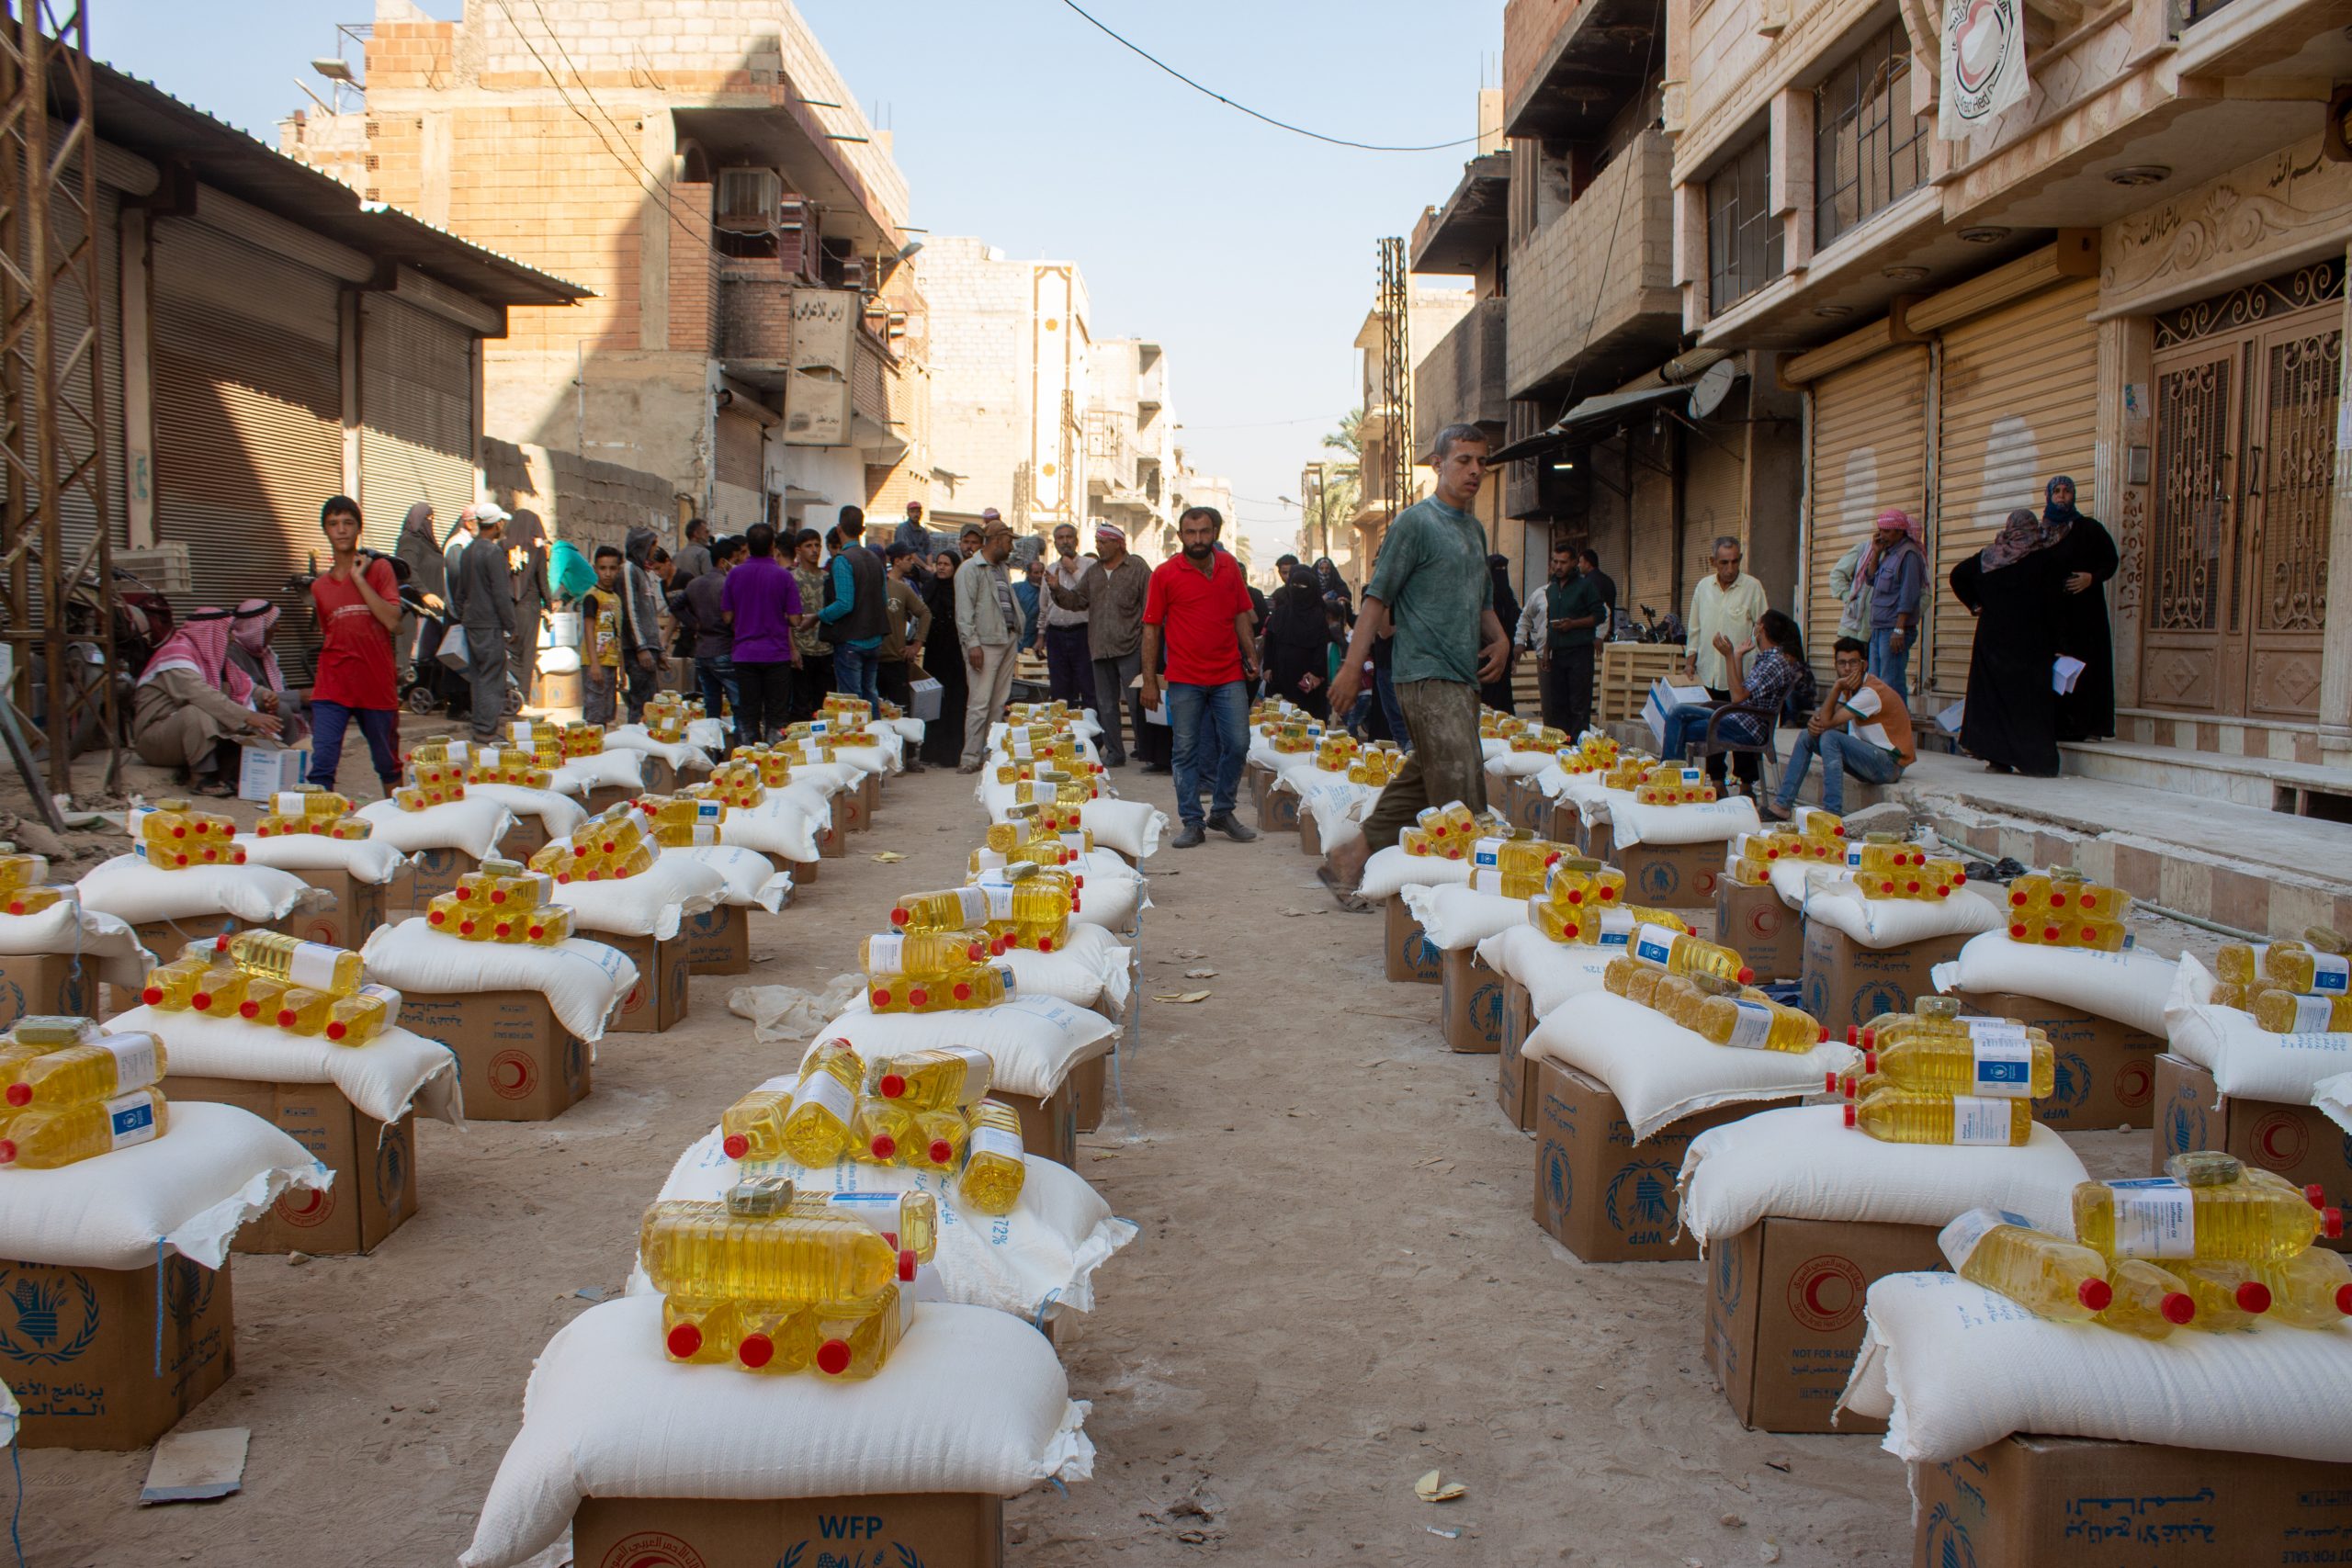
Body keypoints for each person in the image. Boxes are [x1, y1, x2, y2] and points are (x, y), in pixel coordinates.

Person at [1321, 425, 1509, 898]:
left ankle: (1350, 857)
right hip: (1424, 675)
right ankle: (1455, 901)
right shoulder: (1416, 523)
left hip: (1461, 677)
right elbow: (1376, 598)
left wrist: (1501, 640)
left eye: (1481, 462)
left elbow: (1482, 600)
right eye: (1463, 460)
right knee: (1460, 797)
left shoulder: (1474, 528)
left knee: (1426, 775)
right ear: (1438, 465)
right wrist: (1350, 668)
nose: (1474, 471)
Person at [1140, 506, 1260, 846]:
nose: (1197, 539)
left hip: (1228, 674)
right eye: (1190, 533)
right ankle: (1192, 822)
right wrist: (1150, 681)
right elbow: (1151, 630)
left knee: (1238, 743)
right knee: (1185, 751)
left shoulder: (1229, 568)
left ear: (1215, 533)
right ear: (1180, 537)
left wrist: (1249, 654)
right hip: (1185, 678)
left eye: (1203, 532)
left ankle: (1222, 811)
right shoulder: (1164, 574)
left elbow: (1240, 614)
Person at [1951, 508, 2067, 776]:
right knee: (2029, 702)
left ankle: (1997, 759)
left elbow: (1957, 575)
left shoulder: (1990, 557)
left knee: (1994, 700)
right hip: (2031, 641)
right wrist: (2062, 642)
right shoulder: (2044, 559)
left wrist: (1975, 603)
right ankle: (2035, 761)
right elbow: (2056, 604)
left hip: (1993, 639)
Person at [301, 494, 402, 796]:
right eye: (333, 524)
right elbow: (329, 632)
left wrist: (359, 578)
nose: (341, 530)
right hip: (333, 684)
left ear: (359, 528)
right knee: (322, 765)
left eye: (348, 523)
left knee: (388, 763)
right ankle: (318, 835)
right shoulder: (319, 587)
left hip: (375, 682)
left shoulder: (380, 570)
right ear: (326, 531)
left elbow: (392, 621)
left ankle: (402, 828)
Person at [131, 608, 285, 794]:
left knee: (254, 718)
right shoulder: (176, 657)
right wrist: (248, 716)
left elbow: (242, 684)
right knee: (196, 712)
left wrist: (265, 696)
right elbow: (202, 695)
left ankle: (241, 773)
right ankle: (200, 778)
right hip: (154, 739)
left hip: (184, 735)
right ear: (212, 633)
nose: (232, 638)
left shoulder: (214, 659)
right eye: (227, 632)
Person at [1763, 635, 1914, 820]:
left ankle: (1832, 813)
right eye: (1842, 663)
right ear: (1835, 665)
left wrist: (1835, 689)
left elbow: (1827, 723)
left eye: (1853, 663)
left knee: (1830, 737)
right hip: (1872, 760)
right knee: (1806, 736)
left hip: (1889, 765)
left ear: (1864, 665)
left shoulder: (1870, 692)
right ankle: (1782, 805)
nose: (1847, 668)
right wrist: (1816, 722)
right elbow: (1824, 718)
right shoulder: (1850, 688)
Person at [1046, 522, 1154, 767]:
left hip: (1131, 646)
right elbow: (1077, 601)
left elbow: (1150, 605)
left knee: (1137, 702)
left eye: (1104, 542)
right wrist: (1057, 589)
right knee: (1105, 705)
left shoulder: (1137, 567)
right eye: (1097, 542)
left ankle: (1145, 750)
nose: (1099, 546)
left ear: (1118, 543)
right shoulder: (1094, 572)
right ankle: (1115, 753)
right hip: (1099, 647)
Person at [1657, 609, 1812, 769]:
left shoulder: (1774, 662)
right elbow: (1741, 691)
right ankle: (1674, 777)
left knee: (1677, 720)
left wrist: (1729, 656)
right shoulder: (1769, 659)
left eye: (1756, 624)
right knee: (1678, 715)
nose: (1754, 628)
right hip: (1737, 719)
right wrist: (1737, 656)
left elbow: (1738, 697)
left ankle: (1672, 778)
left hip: (1746, 728)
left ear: (1762, 629)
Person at [1681, 536, 1771, 794]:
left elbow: (1762, 627)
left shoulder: (1752, 587)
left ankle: (1746, 784)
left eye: (1734, 562)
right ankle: (1717, 782)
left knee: (1742, 728)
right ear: (1713, 562)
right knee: (1713, 728)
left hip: (1742, 675)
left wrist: (1755, 659)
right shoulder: (1702, 588)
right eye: (1724, 563)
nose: (1730, 569)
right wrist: (1690, 663)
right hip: (1710, 671)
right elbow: (1694, 629)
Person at [2042, 475, 2117, 741]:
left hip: (2087, 614)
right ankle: (2059, 726)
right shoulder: (2042, 534)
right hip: (2055, 615)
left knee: (2088, 668)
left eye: (2067, 491)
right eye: (2057, 492)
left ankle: (2091, 727)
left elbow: (2110, 561)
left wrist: (2091, 578)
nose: (2062, 496)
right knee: (2058, 668)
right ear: (2049, 496)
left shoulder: (2089, 529)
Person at [725, 523, 804, 744]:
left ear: (748, 546)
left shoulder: (734, 575)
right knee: (776, 716)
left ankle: (748, 763)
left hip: (744, 655)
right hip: (776, 656)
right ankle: (775, 763)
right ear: (772, 546)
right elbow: (796, 619)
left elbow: (727, 617)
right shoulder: (784, 577)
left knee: (748, 714)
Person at [954, 521, 1021, 772]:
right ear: (996, 540)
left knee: (997, 703)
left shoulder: (1001, 567)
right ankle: (970, 757)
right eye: (1008, 540)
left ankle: (989, 754)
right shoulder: (969, 569)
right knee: (980, 703)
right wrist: (972, 644)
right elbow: (964, 613)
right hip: (984, 643)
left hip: (1006, 638)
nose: (1011, 545)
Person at [1519, 541, 1604, 736]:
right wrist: (1546, 650)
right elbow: (1549, 621)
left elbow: (1599, 616)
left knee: (1578, 706)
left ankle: (1577, 750)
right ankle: (1560, 749)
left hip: (1579, 653)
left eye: (1563, 562)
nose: (1558, 566)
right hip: (1557, 653)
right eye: (1555, 562)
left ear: (1574, 562)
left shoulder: (1585, 587)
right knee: (1557, 705)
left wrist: (1573, 624)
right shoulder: (1551, 589)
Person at [450, 502, 515, 739]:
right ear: (497, 524)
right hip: (489, 623)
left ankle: (480, 725)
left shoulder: (468, 551)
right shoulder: (493, 552)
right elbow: (501, 593)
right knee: (492, 677)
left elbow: (460, 590)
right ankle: (486, 729)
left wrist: (463, 614)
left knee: (478, 676)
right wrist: (511, 624)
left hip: (472, 622)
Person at [817, 505, 888, 716]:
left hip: (851, 643)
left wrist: (818, 616)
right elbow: (883, 598)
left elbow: (844, 604)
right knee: (870, 695)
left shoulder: (843, 561)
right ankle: (876, 739)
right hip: (874, 639)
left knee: (852, 702)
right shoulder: (875, 559)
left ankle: (859, 743)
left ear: (839, 529)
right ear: (862, 530)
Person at [1854, 509, 1927, 707]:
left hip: (1894, 630)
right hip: (1879, 629)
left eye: (1886, 532)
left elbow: (1909, 594)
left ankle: (1897, 730)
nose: (1881, 536)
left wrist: (1899, 628)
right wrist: (1876, 553)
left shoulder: (1908, 554)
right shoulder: (1889, 554)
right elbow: (1870, 579)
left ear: (1899, 531)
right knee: (1877, 684)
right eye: (1880, 531)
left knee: (1891, 683)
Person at [681, 533, 743, 749]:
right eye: (735, 560)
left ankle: (714, 751)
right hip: (724, 649)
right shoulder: (727, 584)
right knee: (739, 704)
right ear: (724, 561)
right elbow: (733, 617)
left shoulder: (695, 584)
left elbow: (676, 607)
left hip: (702, 652)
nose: (737, 565)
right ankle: (740, 749)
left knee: (712, 708)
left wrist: (694, 624)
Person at [877, 542, 933, 771]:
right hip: (870, 661)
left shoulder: (901, 589)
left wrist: (917, 644)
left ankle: (909, 758)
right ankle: (882, 760)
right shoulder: (868, 587)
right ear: (896, 560)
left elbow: (924, 613)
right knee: (875, 714)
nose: (912, 563)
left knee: (902, 711)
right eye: (909, 558)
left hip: (896, 659)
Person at [1261, 565, 1337, 720]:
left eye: (1303, 587)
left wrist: (1315, 673)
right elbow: (1270, 640)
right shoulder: (1281, 613)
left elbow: (1321, 648)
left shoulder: (1318, 617)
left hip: (1306, 679)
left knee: (1307, 721)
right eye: (1294, 586)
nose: (1298, 590)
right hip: (1280, 676)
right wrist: (1268, 667)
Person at [227, 597, 305, 747]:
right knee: (283, 711)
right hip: (247, 712)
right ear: (257, 628)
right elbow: (246, 697)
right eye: (273, 623)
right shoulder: (233, 654)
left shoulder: (266, 653)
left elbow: (278, 689)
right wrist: (299, 696)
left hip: (271, 702)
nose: (279, 628)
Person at [1040, 522, 1099, 716]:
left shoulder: (1089, 565)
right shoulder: (1049, 569)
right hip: (1056, 635)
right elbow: (1044, 606)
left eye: (1069, 537)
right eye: (1060, 538)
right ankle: (1063, 738)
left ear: (1076, 540)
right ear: (1055, 542)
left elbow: (1094, 594)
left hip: (1083, 633)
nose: (1065, 541)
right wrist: (1041, 635)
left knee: (1088, 687)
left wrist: (1073, 569)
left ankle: (1093, 740)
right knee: (1061, 691)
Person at [919, 547, 968, 768]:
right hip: (935, 652)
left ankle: (951, 753)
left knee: (955, 700)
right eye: (939, 563)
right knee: (934, 700)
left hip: (956, 653)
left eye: (946, 564)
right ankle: (931, 752)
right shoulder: (930, 588)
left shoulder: (961, 591)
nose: (941, 567)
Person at [392, 502, 447, 676]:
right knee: (409, 654)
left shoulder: (428, 543)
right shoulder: (409, 541)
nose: (430, 522)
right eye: (427, 518)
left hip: (431, 610)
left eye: (432, 518)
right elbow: (407, 570)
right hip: (412, 607)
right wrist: (425, 593)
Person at [620, 525, 666, 723]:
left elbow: (649, 615)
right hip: (639, 651)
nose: (655, 549)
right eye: (652, 544)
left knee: (650, 705)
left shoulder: (642, 573)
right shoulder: (629, 570)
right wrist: (641, 648)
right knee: (640, 706)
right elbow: (630, 612)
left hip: (649, 649)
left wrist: (659, 649)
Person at [506, 507, 549, 704]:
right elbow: (543, 581)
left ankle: (508, 691)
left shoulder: (503, 547)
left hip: (508, 607)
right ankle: (521, 695)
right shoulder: (536, 550)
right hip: (530, 607)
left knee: (511, 651)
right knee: (527, 652)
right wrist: (548, 604)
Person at [581, 545, 627, 725]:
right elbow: (589, 630)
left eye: (613, 568)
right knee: (594, 714)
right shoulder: (592, 597)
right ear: (595, 569)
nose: (608, 573)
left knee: (607, 713)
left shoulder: (615, 598)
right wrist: (594, 664)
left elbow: (617, 634)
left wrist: (622, 670)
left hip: (610, 663)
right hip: (596, 663)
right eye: (603, 568)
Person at [787, 528, 829, 722]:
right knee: (800, 707)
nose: (814, 550)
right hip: (802, 650)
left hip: (826, 649)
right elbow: (785, 617)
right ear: (798, 550)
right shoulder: (792, 579)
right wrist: (792, 649)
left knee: (822, 708)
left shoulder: (827, 578)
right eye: (808, 546)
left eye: (817, 545)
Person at [1483, 555, 1521, 714]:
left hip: (1503, 660)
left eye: (1503, 570)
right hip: (1483, 657)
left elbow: (1514, 624)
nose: (1501, 574)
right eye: (1497, 570)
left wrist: (1511, 655)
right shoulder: (1483, 598)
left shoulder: (1507, 597)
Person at [1579, 548, 1616, 638]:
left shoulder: (1587, 583)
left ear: (1588, 564)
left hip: (1593, 631)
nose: (1578, 565)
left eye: (1580, 562)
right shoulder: (1608, 580)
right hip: (1608, 630)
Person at [672, 517, 713, 585]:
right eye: (706, 532)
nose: (709, 535)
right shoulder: (703, 553)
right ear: (696, 534)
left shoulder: (676, 556)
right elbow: (710, 580)